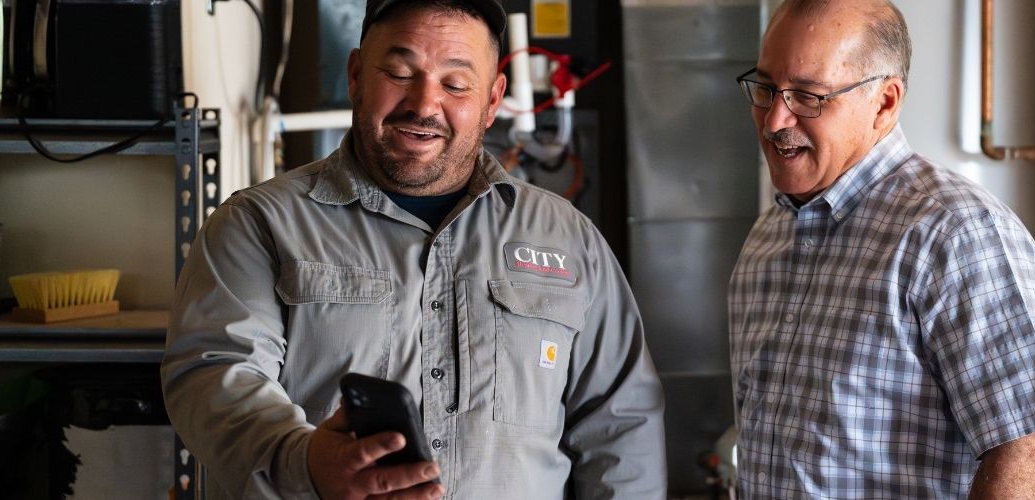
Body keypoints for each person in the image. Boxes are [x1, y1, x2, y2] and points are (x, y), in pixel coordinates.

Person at [160, 1, 667, 498]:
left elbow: (620, 423)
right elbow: (215, 375)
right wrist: (303, 461)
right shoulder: (258, 224)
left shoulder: (569, 239)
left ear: (492, 101)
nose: (424, 105)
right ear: (356, 75)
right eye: (400, 73)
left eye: (455, 84)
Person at [727, 0, 1035, 497]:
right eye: (766, 87)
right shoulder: (767, 237)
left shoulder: (955, 233)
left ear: (884, 103)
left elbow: (1022, 450)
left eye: (808, 96)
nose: (775, 119)